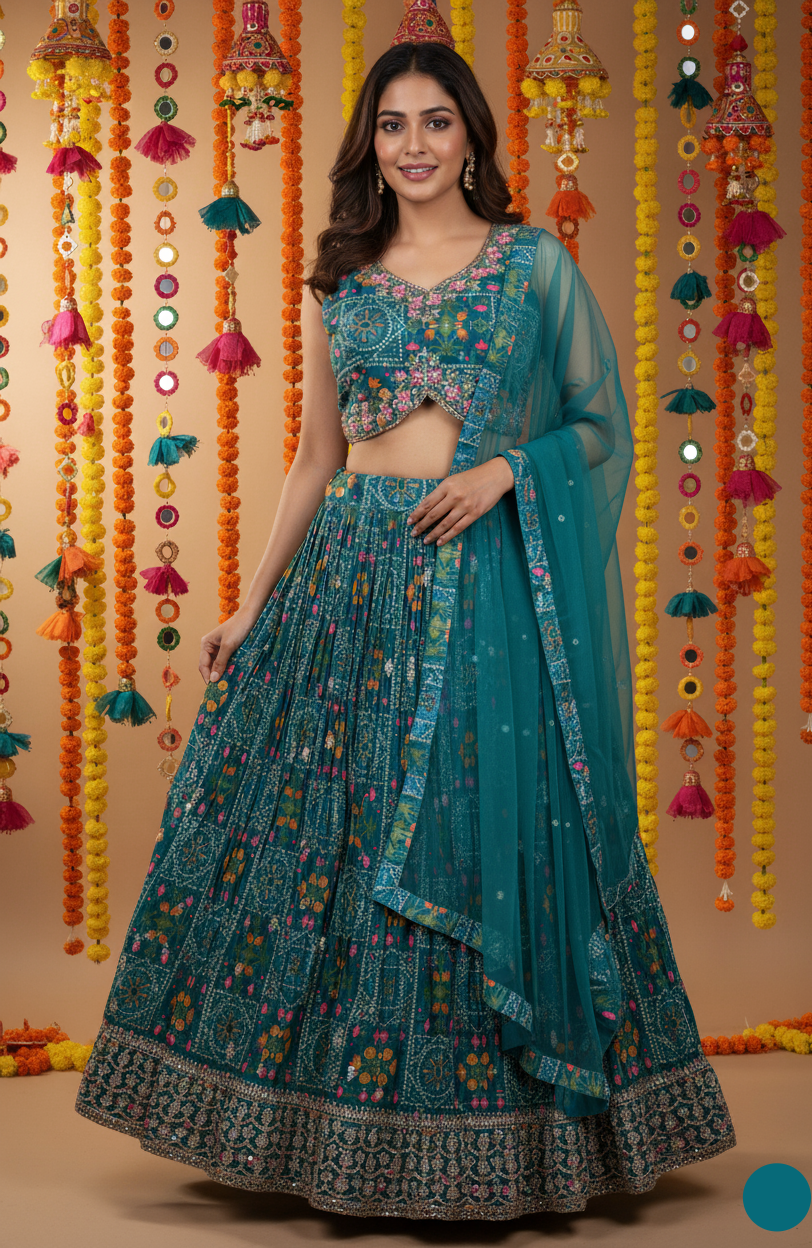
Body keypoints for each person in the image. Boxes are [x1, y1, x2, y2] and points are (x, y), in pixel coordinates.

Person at [76, 17, 736, 1222]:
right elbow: (314, 460)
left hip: (484, 580)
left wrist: (505, 474)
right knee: (341, 844)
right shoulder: (344, 280)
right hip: (352, 585)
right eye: (393, 124)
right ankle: (341, 1138)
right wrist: (249, 603)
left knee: (477, 831)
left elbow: (603, 429)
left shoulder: (533, 266)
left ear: (472, 139)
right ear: (368, 145)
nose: (414, 144)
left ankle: (513, 1140)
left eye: (437, 122)